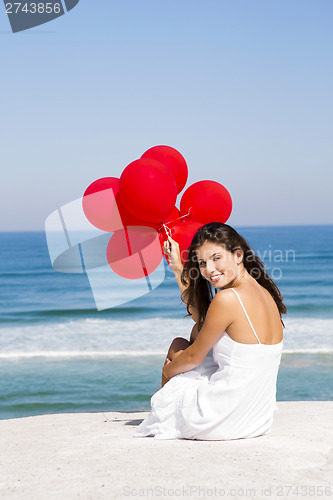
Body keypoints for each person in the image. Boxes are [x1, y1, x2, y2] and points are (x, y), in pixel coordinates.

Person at [133, 222, 286, 441]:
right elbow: (205, 322)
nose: (209, 270)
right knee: (195, 332)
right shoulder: (263, 292)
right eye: (203, 263)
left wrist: (167, 372)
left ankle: (163, 416)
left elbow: (194, 356)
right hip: (257, 418)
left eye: (216, 258)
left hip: (225, 420)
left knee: (178, 348)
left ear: (238, 255)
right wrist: (177, 265)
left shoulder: (227, 298)